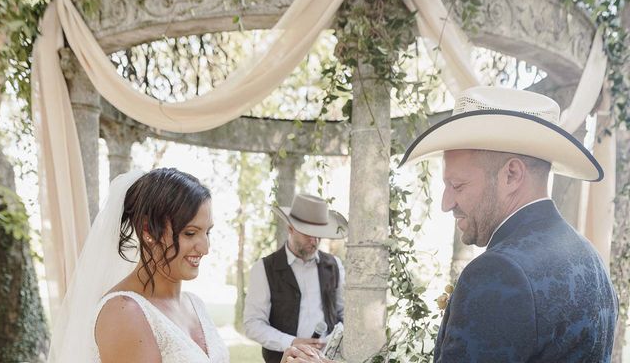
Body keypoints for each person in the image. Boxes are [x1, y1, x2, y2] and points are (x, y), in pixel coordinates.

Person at [400, 86, 618, 362]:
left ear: (511, 176)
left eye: (457, 185)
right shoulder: (591, 258)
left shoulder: (500, 271)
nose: (446, 203)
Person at [47, 168, 230, 363]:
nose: (205, 248)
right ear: (148, 230)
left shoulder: (195, 305)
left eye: (207, 232)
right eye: (190, 233)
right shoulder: (123, 312)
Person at [244, 193, 348, 363]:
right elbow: (253, 324)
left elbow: (344, 314)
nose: (314, 241)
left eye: (319, 234)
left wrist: (331, 341)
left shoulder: (334, 265)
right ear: (290, 228)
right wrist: (291, 343)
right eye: (308, 233)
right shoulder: (264, 268)